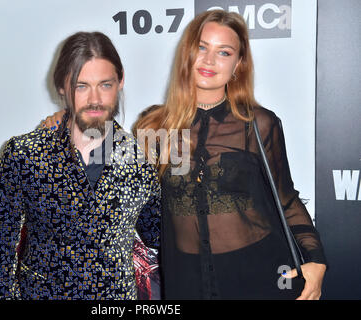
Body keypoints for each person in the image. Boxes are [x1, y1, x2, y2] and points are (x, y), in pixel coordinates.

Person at [42, 10, 327, 300]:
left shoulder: (258, 124)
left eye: (224, 52)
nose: (209, 60)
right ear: (187, 54)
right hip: (186, 280)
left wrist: (315, 258)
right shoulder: (152, 126)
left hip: (258, 274)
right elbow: (108, 168)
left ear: (238, 64)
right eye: (201, 47)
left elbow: (286, 198)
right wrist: (69, 121)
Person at [0, 31, 161, 300]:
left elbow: (162, 236)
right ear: (62, 86)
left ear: (120, 81)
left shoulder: (140, 158)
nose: (95, 99)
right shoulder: (24, 154)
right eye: (81, 85)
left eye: (105, 84)